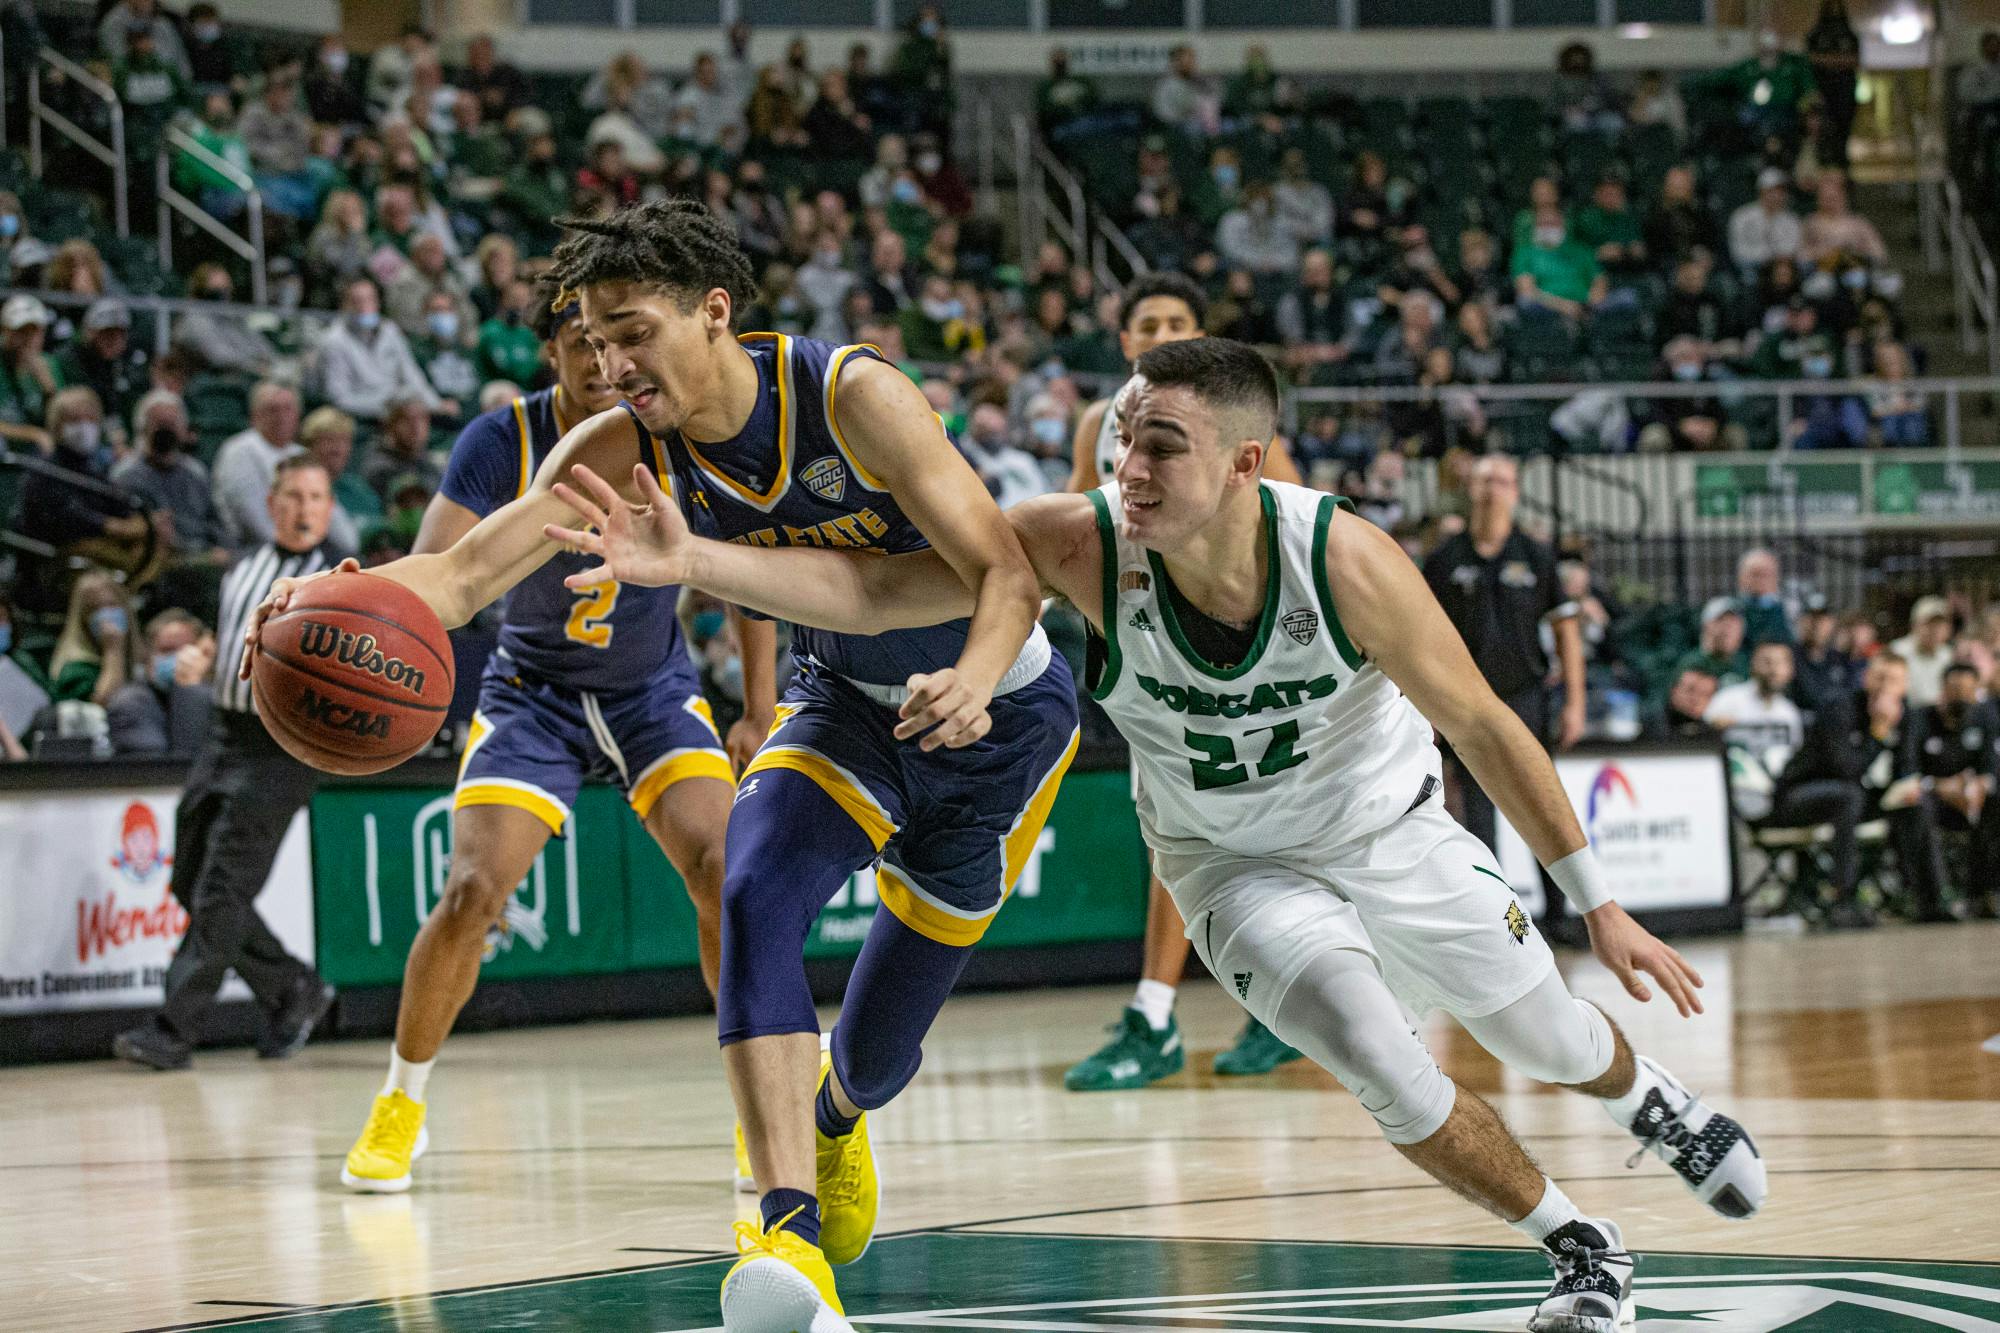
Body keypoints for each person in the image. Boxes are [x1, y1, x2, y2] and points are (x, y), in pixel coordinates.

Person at [567, 335, 1767, 1333]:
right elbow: (879, 594)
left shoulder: (1339, 556)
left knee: (1542, 1030)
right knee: (1374, 1053)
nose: (1127, 462)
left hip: (1389, 830)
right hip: (1233, 868)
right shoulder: (1079, 542)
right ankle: (1579, 1243)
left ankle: (1645, 1100)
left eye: (1160, 443)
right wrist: (700, 562)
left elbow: (1485, 723)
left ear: (1245, 463)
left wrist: (1595, 899)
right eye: (1121, 434)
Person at [242, 200, 1075, 1333]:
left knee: (879, 1046)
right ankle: (782, 1232)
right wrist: (340, 599)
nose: (608, 361)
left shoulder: (852, 396)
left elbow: (1006, 573)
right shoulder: (616, 445)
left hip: (996, 715)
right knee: (747, 884)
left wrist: (973, 679)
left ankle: (835, 1114)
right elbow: (464, 575)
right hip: (841, 706)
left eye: (630, 331)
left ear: (712, 311)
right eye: (589, 336)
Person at [339, 288, 776, 1193]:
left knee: (728, 872)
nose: (599, 359)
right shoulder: (502, 440)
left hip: (651, 690)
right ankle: (401, 1101)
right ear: (551, 354)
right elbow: (440, 559)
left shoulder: (670, 433)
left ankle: (760, 1109)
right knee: (470, 890)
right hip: (530, 693)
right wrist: (358, 595)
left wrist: (758, 703)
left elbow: (746, 580)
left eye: (613, 341)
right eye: (580, 341)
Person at [1062, 272, 1309, 1087]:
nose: (1163, 330)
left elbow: (1298, 520)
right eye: (1149, 321)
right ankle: (1216, 1008)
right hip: (1144, 649)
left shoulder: (1236, 427)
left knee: (1248, 829)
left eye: (1179, 320)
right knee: (1183, 832)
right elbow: (1070, 528)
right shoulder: (1098, 424)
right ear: (1125, 338)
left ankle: (1176, 1012)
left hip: (1236, 651)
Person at [114, 459, 342, 1070]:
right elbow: (236, 641)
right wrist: (204, 658)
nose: (303, 507)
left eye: (315, 496)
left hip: (285, 746)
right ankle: (293, 989)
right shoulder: (243, 566)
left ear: (329, 506)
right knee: (188, 877)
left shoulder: (341, 580)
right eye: (293, 494)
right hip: (223, 730)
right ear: (271, 504)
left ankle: (173, 1030)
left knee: (222, 890)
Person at [1423, 456, 1586, 855]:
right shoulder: (1444, 560)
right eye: (1484, 480)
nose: (1492, 489)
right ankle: (1495, 913)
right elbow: (1421, 636)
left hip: (1525, 696)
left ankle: (1562, 913)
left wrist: (1575, 704)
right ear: (1470, 490)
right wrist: (1427, 706)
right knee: (1476, 814)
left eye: (1501, 481)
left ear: (1514, 492)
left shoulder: (1535, 555)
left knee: (1542, 806)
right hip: (1464, 700)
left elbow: (1567, 629)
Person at [1772, 652, 1952, 927]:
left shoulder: (1906, 715)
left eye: (1893, 680)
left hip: (1855, 797)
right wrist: (1878, 733)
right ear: (1866, 678)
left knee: (1917, 803)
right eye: (1879, 677)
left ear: (1904, 687)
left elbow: (1906, 767)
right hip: (1798, 796)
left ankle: (1931, 900)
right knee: (1849, 796)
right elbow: (1847, 769)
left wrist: (1907, 788)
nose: (1884, 686)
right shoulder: (1839, 707)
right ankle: (1842, 899)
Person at [1917, 662, 1999, 916]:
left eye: (1967, 689)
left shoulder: (1985, 718)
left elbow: (1991, 768)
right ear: (1943, 689)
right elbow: (1908, 771)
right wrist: (1940, 787)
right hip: (1932, 798)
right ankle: (1939, 897)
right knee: (1919, 809)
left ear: (1976, 691)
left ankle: (1987, 892)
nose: (1961, 695)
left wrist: (1979, 786)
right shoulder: (1921, 719)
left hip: (1970, 799)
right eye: (1954, 689)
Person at [320, 277, 453, 421]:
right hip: (359, 417)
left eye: (370, 299)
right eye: (357, 301)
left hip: (396, 412)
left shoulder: (390, 330)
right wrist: (385, 407)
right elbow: (339, 399)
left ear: (378, 302)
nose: (365, 307)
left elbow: (411, 374)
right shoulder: (334, 341)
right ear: (344, 306)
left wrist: (436, 404)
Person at [106, 608, 213, 756]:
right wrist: (190, 689)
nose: (180, 658)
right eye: (167, 650)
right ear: (148, 656)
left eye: (187, 649)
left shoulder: (210, 693)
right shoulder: (130, 703)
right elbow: (179, 765)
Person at [212, 381, 303, 551]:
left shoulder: (302, 455)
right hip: (251, 550)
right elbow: (252, 520)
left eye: (287, 409)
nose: (281, 416)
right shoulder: (240, 450)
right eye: (272, 409)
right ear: (255, 416)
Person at [55, 299, 148, 448]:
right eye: (107, 333)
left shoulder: (129, 363)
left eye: (119, 334)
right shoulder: (72, 360)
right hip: (85, 436)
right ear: (90, 333)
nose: (114, 340)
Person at [1706, 641, 1806, 759]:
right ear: (1753, 663)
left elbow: (1795, 755)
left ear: (1790, 670)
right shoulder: (1727, 699)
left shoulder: (1789, 713)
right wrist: (1714, 728)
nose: (1773, 670)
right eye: (1767, 662)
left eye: (1779, 663)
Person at [1891, 595, 1956, 710]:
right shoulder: (1897, 651)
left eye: (1940, 624)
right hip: (1906, 714)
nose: (1935, 630)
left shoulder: (1948, 655)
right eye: (1929, 624)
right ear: (1914, 624)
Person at [1646, 665, 1719, 741]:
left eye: (1704, 694)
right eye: (1690, 690)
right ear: (1674, 690)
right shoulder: (1647, 724)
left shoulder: (1717, 730)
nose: (1695, 699)